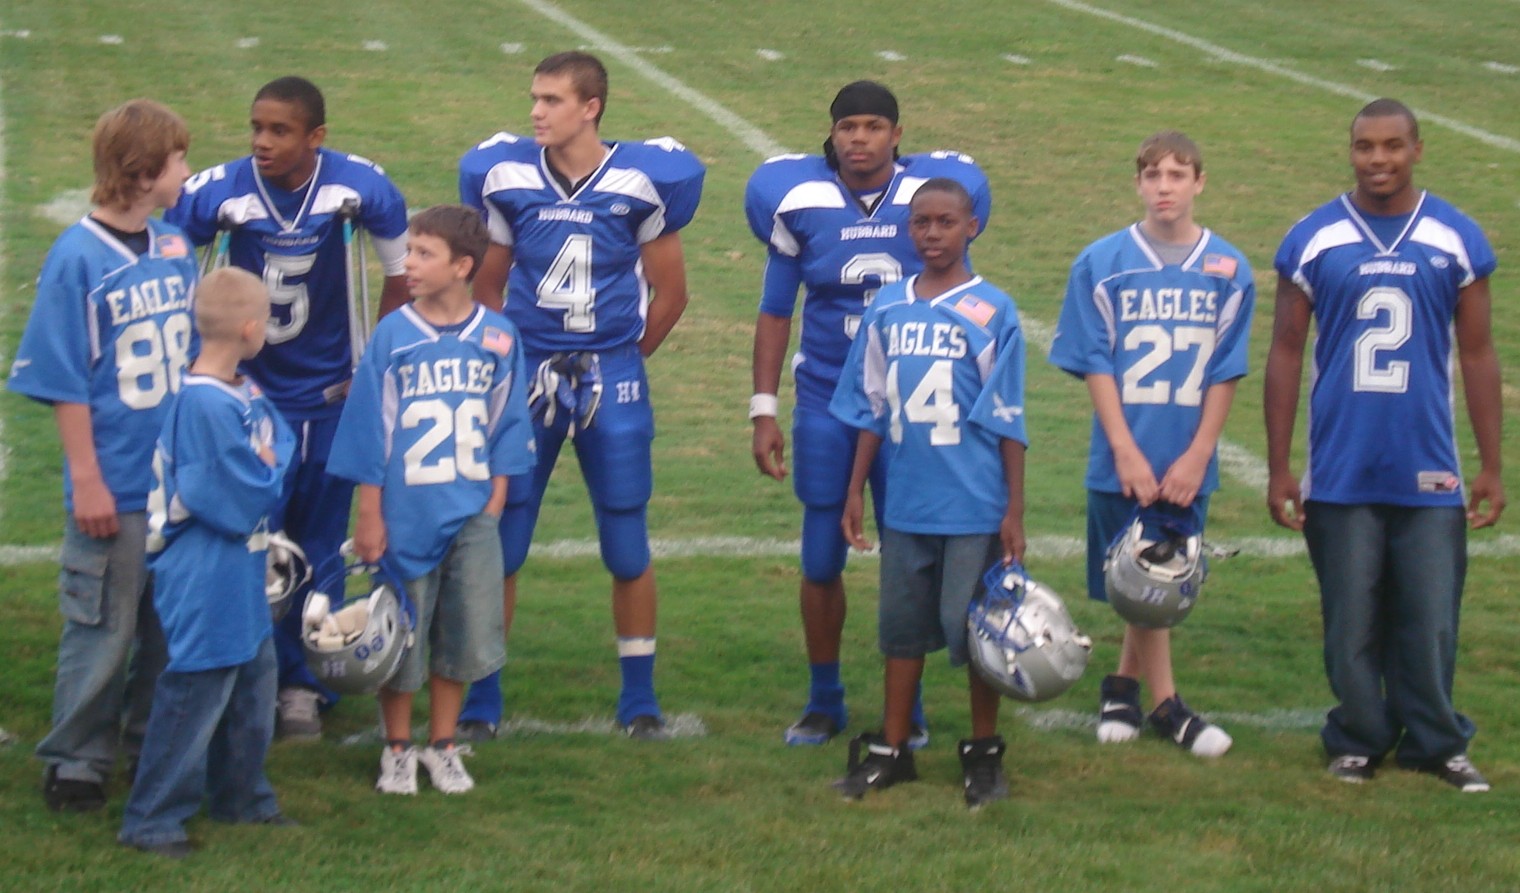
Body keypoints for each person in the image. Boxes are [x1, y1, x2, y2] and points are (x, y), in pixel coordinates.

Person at [455, 51, 705, 741]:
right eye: (534, 98)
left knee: (626, 538)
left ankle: (639, 698)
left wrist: (624, 356)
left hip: (611, 369)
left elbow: (672, 292)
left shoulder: (641, 181)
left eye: (552, 100)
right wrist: (510, 361)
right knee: (503, 537)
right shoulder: (505, 177)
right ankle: (481, 698)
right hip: (529, 367)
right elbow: (488, 286)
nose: (536, 111)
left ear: (590, 107)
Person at [1264, 99, 1504, 792]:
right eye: (1365, 146)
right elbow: (1285, 351)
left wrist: (1491, 464)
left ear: (1417, 150)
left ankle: (1436, 741)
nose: (1378, 159)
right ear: (1351, 151)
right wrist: (1280, 466)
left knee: (1430, 617)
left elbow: (1480, 354)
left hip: (1429, 464)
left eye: (1392, 146)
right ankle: (1359, 736)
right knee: (1351, 619)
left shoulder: (1455, 236)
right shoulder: (1314, 238)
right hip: (1339, 464)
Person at [743, 80, 991, 746]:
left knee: (909, 554)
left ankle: (903, 706)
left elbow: (968, 299)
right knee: (821, 556)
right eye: (848, 126)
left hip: (913, 405)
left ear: (897, 133)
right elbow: (776, 310)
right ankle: (825, 696)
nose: (860, 138)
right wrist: (763, 407)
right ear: (832, 134)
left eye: (873, 126)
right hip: (829, 396)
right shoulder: (799, 198)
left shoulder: (933, 198)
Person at [166, 76, 411, 739]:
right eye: (256, 127)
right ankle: (249, 674)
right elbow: (168, 266)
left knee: (323, 541)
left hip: (331, 396)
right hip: (253, 397)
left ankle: (304, 681)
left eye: (279, 130)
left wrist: (375, 361)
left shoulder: (357, 186)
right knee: (254, 542)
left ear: (316, 137)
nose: (262, 142)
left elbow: (400, 273)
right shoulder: (220, 190)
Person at [8, 99, 195, 812]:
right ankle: (77, 755)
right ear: (145, 171)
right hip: (113, 478)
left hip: (175, 480)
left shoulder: (175, 247)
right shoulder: (78, 256)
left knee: (166, 624)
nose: (186, 170)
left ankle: (151, 739)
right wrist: (85, 477)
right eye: (177, 159)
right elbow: (65, 380)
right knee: (101, 625)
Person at [1048, 131, 1252, 758]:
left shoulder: (1229, 268)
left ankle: (1131, 692)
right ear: (1138, 183)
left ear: (1200, 182)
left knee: (1158, 581)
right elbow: (1095, 362)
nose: (1165, 187)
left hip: (1185, 454)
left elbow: (1225, 370)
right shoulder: (1102, 262)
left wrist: (1198, 454)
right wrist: (1124, 449)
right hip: (1125, 451)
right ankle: (1165, 704)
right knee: (1139, 580)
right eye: (1153, 175)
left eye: (1177, 175)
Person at [828, 178, 1026, 808]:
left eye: (946, 222)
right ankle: (892, 750)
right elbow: (869, 405)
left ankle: (983, 752)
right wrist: (855, 489)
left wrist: (1014, 508)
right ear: (908, 229)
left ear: (972, 226)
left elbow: (1008, 418)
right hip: (908, 496)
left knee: (980, 634)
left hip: (973, 500)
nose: (932, 234)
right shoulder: (888, 306)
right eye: (921, 223)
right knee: (901, 629)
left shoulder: (994, 309)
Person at [329, 205, 535, 793]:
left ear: (462, 266)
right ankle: (397, 746)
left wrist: (494, 500)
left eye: (424, 253)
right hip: (406, 512)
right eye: (410, 250)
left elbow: (506, 422)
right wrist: (370, 513)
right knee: (399, 634)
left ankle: (442, 742)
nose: (409, 263)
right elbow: (372, 427)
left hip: (470, 509)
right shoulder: (394, 333)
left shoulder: (497, 335)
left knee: (461, 633)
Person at [118, 267, 297, 858]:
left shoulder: (240, 389)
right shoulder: (205, 404)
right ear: (250, 328)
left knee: (252, 680)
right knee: (195, 689)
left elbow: (279, 444)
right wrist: (267, 465)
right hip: (204, 564)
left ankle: (242, 796)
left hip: (237, 565)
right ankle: (153, 818)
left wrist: (266, 461)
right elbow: (236, 495)